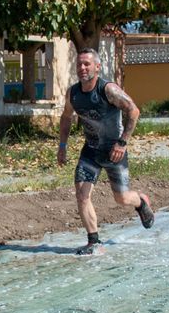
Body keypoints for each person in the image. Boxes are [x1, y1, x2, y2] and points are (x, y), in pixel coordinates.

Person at [56, 48, 155, 255]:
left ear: (97, 67)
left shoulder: (108, 90)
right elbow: (66, 117)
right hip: (91, 151)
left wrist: (122, 143)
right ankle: (94, 241)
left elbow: (133, 111)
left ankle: (140, 201)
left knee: (122, 198)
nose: (82, 68)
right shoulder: (73, 93)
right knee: (82, 195)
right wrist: (62, 146)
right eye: (79, 64)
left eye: (87, 64)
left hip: (114, 151)